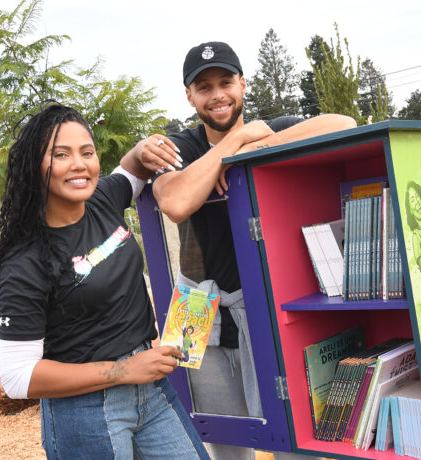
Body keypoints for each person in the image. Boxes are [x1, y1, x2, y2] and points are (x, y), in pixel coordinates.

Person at [131, 41, 356, 460]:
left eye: (225, 82)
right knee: (220, 436)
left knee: (292, 429)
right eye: (204, 87)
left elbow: (343, 121)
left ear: (243, 84)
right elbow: (175, 203)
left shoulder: (270, 128)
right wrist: (229, 147)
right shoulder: (182, 147)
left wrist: (254, 148)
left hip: (267, 301)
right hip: (194, 303)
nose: (217, 94)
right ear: (189, 96)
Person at [0, 103, 209, 459]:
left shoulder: (102, 198)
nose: (79, 164)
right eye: (61, 154)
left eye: (87, 152)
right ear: (34, 166)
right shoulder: (25, 260)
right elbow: (17, 377)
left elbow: (133, 168)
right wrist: (122, 370)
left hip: (151, 389)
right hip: (85, 411)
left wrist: (141, 149)